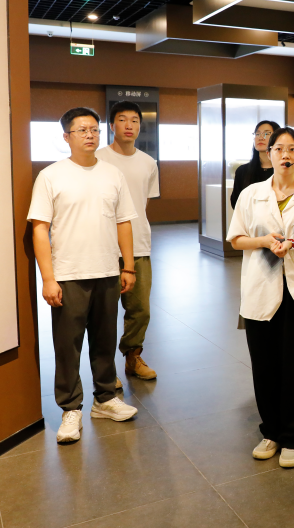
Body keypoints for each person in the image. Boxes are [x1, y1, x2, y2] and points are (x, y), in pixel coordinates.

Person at [28, 107, 140, 444]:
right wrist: (48, 278)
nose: (90, 135)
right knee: (68, 346)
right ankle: (70, 408)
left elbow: (123, 221)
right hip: (68, 274)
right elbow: (39, 229)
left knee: (105, 341)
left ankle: (105, 399)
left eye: (94, 129)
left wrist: (128, 266)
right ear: (67, 137)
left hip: (107, 271)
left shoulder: (112, 174)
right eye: (81, 130)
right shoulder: (51, 176)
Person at [227, 127, 294, 469]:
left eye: (292, 149)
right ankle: (270, 431)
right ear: (268, 153)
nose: (285, 155)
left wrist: (293, 245)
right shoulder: (251, 194)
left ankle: (293, 436)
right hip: (260, 288)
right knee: (265, 365)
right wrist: (264, 241)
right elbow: (236, 239)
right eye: (279, 149)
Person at [97, 101, 160, 388]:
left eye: (134, 120)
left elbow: (143, 202)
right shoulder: (98, 159)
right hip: (103, 246)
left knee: (140, 309)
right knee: (105, 311)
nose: (129, 125)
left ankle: (133, 357)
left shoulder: (148, 162)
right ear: (112, 125)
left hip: (139, 244)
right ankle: (105, 368)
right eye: (122, 119)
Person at [230, 120, 281, 209]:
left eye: (266, 134)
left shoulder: (286, 170)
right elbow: (236, 202)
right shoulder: (242, 171)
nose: (260, 138)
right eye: (257, 134)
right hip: (248, 217)